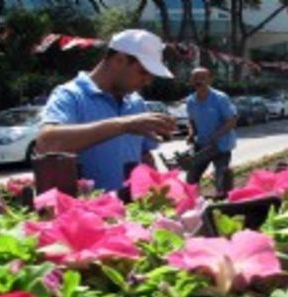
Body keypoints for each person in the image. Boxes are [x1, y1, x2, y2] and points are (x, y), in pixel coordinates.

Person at [37, 29, 176, 191]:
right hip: (87, 212)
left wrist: (157, 191)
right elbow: (47, 143)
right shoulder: (71, 95)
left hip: (131, 211)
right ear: (119, 60)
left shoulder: (136, 102)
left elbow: (144, 156)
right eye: (143, 72)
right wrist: (123, 125)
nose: (147, 82)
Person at [185, 67, 238, 197]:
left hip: (221, 146)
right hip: (202, 146)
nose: (199, 81)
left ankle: (223, 204)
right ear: (191, 80)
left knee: (221, 180)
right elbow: (192, 121)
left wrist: (216, 135)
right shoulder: (190, 101)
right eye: (196, 78)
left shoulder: (220, 98)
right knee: (191, 179)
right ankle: (195, 205)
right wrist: (191, 133)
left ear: (209, 80)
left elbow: (232, 121)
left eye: (202, 78)